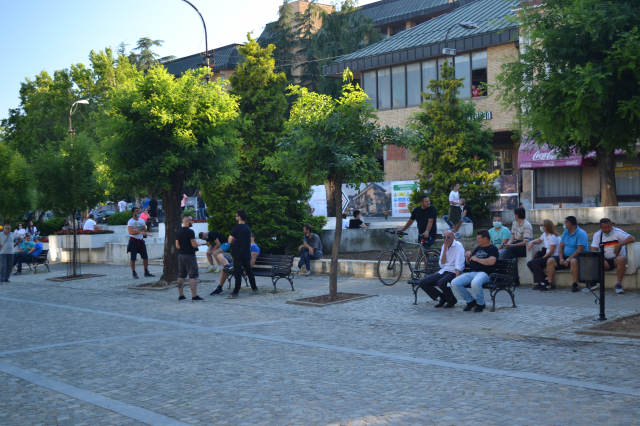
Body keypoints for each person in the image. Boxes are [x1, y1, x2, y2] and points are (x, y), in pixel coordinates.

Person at [451, 230, 499, 312]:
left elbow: (492, 261)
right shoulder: (478, 248)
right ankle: (470, 301)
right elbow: (470, 261)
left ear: (485, 239)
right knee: (454, 283)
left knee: (475, 283)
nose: (477, 240)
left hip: (485, 274)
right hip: (472, 273)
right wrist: (467, 257)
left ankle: (481, 303)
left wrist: (477, 259)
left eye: (478, 238)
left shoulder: (493, 249)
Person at [417, 230, 464, 308]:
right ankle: (443, 297)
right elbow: (442, 264)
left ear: (453, 237)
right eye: (444, 237)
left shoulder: (458, 245)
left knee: (441, 282)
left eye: (448, 237)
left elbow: (459, 263)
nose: (446, 239)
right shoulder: (444, 246)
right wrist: (445, 250)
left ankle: (451, 300)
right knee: (422, 282)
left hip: (453, 272)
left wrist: (457, 277)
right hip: (444, 271)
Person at [590, 218, 636, 294]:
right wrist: (602, 260)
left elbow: (632, 238)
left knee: (621, 259)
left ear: (612, 226)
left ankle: (618, 284)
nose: (607, 229)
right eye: (604, 228)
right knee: (589, 260)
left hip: (616, 260)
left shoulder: (617, 232)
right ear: (600, 228)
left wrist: (619, 245)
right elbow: (594, 249)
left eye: (609, 227)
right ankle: (592, 283)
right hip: (604, 259)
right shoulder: (597, 235)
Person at [546, 216, 588, 293]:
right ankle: (550, 283)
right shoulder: (566, 232)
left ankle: (575, 284)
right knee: (550, 260)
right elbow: (561, 247)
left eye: (565, 222)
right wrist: (561, 259)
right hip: (566, 257)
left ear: (570, 224)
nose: (564, 224)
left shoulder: (581, 233)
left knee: (573, 261)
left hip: (579, 257)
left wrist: (568, 259)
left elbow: (580, 250)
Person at [227, 209, 259, 299]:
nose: (235, 217)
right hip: (246, 252)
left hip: (237, 253)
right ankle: (254, 288)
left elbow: (230, 240)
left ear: (239, 217)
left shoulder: (236, 228)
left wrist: (234, 239)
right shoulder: (247, 228)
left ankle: (235, 292)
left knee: (237, 273)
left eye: (236, 216)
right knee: (249, 271)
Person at [499, 207, 533, 285]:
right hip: (515, 246)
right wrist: (508, 244)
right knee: (512, 256)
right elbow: (512, 238)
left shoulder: (527, 225)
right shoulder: (515, 223)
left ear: (516, 215)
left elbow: (525, 242)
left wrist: (510, 245)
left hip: (525, 248)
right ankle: (515, 280)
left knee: (510, 250)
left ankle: (505, 276)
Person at [175, 215, 204, 301]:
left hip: (181, 255)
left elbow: (177, 246)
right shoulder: (190, 232)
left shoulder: (178, 231)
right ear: (187, 221)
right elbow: (193, 244)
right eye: (191, 220)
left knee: (181, 275)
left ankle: (181, 295)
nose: (193, 221)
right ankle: (194, 296)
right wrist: (198, 244)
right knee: (192, 276)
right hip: (190, 256)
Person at [526, 219, 560, 291]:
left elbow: (551, 251)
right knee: (529, 263)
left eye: (542, 225)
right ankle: (545, 279)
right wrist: (531, 242)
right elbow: (539, 240)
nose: (541, 227)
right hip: (549, 256)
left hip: (554, 257)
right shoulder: (545, 234)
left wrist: (543, 257)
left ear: (547, 226)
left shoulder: (552, 236)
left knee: (535, 262)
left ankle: (541, 283)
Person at [127, 207, 154, 279]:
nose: (138, 213)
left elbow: (144, 231)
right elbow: (130, 232)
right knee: (133, 258)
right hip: (133, 241)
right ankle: (134, 272)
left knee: (145, 257)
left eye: (138, 211)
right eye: (136, 211)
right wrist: (138, 231)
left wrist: (143, 229)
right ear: (133, 212)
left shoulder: (141, 220)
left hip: (141, 240)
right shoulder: (130, 221)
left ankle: (146, 271)